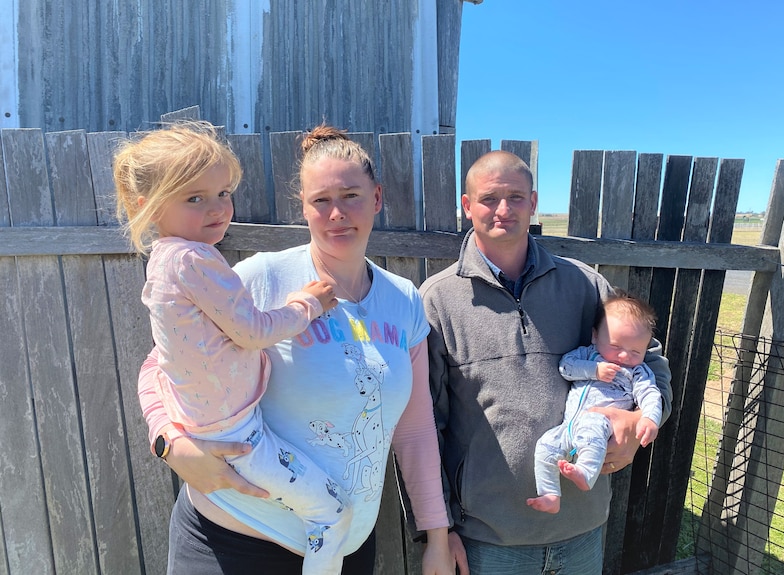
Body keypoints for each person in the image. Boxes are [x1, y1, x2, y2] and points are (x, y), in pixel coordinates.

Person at [136, 123, 454, 575]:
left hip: (344, 548)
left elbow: (415, 430)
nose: (337, 213)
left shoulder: (403, 300)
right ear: (303, 209)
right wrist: (170, 444)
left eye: (351, 196)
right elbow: (159, 362)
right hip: (234, 543)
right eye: (321, 200)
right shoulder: (261, 279)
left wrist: (437, 537)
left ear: (377, 198)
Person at [114, 121, 353, 574]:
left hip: (216, 427)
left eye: (223, 193)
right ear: (147, 207)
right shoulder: (194, 259)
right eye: (194, 198)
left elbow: (169, 360)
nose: (218, 208)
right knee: (332, 511)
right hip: (238, 437)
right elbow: (252, 331)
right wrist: (307, 304)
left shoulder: (165, 262)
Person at [418, 150, 672, 575]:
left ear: (533, 203)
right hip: (488, 539)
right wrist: (438, 533)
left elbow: (651, 363)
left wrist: (640, 426)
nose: (503, 209)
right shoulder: (437, 301)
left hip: (581, 528)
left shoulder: (586, 284)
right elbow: (423, 426)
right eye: (489, 198)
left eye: (516, 197)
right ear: (467, 206)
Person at [527, 291, 663, 514]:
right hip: (568, 426)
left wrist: (649, 418)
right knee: (545, 445)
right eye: (616, 346)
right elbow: (565, 367)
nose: (623, 357)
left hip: (601, 424)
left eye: (635, 351)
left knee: (592, 426)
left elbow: (650, 394)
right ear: (594, 336)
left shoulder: (637, 372)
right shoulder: (587, 356)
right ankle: (550, 494)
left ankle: (585, 473)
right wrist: (594, 371)